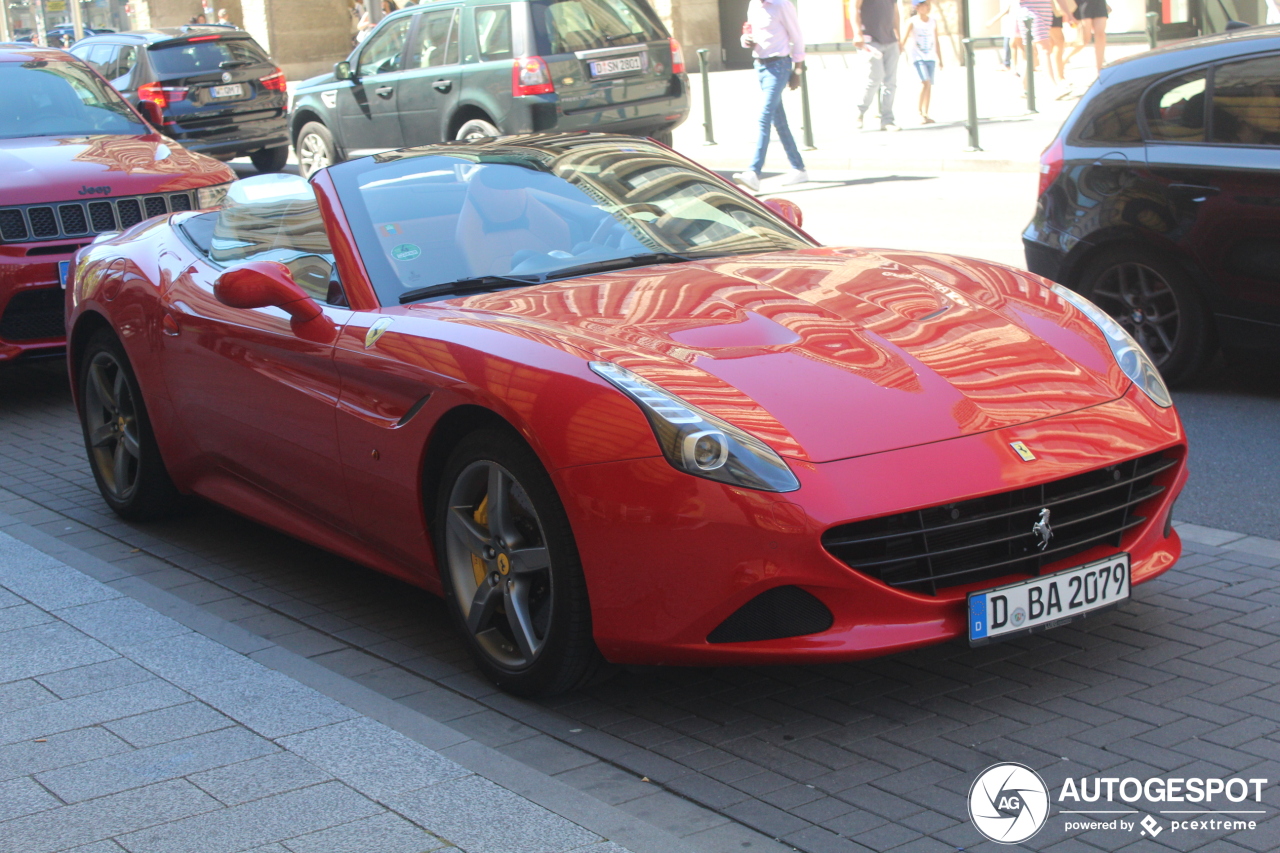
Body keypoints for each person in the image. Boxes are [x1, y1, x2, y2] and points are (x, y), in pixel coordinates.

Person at [731, 0, 808, 191]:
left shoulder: (782, 5)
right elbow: (749, 32)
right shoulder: (754, 5)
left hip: (779, 65)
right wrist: (745, 39)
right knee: (778, 120)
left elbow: (797, 37)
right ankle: (799, 168)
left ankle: (754, 172)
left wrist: (798, 70)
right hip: (760, 64)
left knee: (765, 115)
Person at [854, 0, 900, 131]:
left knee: (891, 81)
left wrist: (899, 36)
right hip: (871, 40)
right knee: (875, 77)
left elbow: (895, 12)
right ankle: (860, 111)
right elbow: (854, 7)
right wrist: (857, 33)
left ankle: (887, 119)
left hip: (890, 39)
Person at [901, 0, 941, 124]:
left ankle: (926, 113)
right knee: (925, 82)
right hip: (918, 57)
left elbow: (936, 40)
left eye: (928, 5)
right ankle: (919, 112)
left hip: (930, 56)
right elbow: (904, 39)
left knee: (929, 85)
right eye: (924, 5)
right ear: (918, 7)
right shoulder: (912, 22)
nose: (927, 7)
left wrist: (940, 58)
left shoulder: (933, 21)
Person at [1074, 0, 1108, 72]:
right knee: (1084, 40)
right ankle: (1062, 61)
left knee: (1101, 36)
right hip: (1082, 3)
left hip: (1099, 3)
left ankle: (1100, 69)